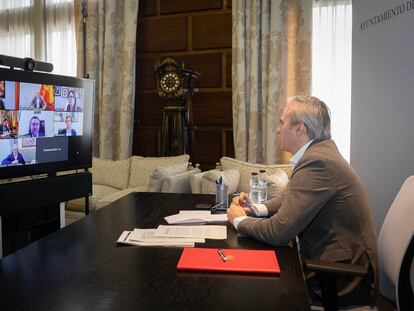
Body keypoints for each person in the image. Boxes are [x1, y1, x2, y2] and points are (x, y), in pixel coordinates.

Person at [227, 96, 378, 307]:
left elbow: (278, 233)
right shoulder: (320, 153)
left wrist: (239, 221)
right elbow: (291, 198)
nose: (278, 130)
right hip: (335, 268)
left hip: (341, 280)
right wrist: (255, 209)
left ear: (299, 129)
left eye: (282, 123)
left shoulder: (318, 161)